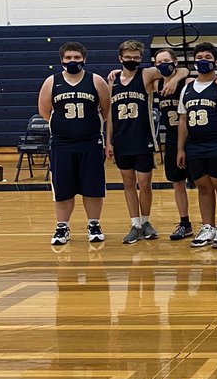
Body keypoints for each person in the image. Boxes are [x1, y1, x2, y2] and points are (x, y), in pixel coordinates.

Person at [106, 39, 186, 244]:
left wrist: (175, 80)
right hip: (121, 139)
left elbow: (182, 70)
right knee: (128, 183)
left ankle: (146, 221)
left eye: (136, 57)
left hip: (143, 138)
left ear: (141, 58)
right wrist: (108, 141)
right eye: (128, 57)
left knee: (144, 183)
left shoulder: (147, 74)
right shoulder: (112, 80)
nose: (132, 60)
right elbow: (110, 116)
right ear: (120, 58)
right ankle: (135, 224)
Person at [38, 41, 110, 245]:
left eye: (77, 58)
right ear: (62, 60)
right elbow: (45, 110)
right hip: (62, 144)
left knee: (93, 186)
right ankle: (62, 227)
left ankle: (94, 224)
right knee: (63, 187)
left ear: (84, 59)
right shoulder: (52, 81)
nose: (72, 61)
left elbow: (106, 109)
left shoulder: (95, 80)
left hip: (90, 142)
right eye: (68, 58)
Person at [176, 43, 217, 249]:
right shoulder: (187, 88)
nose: (203, 60)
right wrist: (180, 148)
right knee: (203, 187)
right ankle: (208, 227)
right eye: (199, 57)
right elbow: (183, 121)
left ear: (216, 61)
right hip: (194, 145)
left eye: (207, 56)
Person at [154, 47, 193, 240]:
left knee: (205, 183)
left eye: (166, 61)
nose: (163, 65)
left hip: (193, 138)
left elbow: (185, 71)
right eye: (159, 62)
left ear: (175, 62)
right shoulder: (155, 83)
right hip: (170, 138)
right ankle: (185, 223)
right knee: (178, 183)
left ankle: (211, 223)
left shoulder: (186, 81)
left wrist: (176, 79)